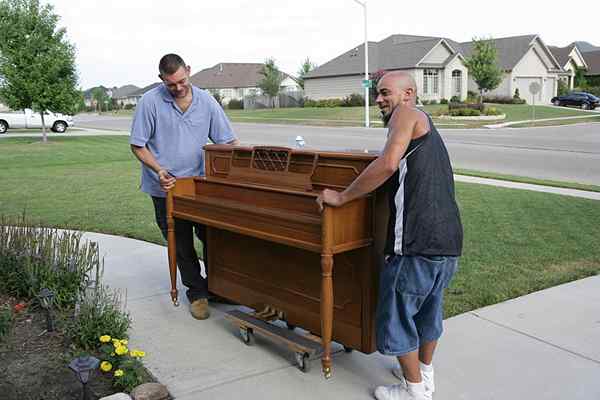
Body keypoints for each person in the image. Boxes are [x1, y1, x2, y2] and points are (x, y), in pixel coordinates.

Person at [316, 71, 462, 400]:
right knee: (428, 312)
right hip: (448, 241)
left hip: (416, 241)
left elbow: (387, 164)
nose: (379, 99)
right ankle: (424, 377)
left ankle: (412, 392)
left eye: (385, 93)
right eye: (377, 94)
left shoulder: (406, 114)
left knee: (397, 317)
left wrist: (340, 197)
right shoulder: (424, 121)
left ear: (408, 94)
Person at [130, 54, 239, 320]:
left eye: (181, 81)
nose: (178, 88)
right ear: (161, 80)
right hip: (165, 188)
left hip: (200, 186)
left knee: (213, 238)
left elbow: (227, 143)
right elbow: (138, 145)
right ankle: (197, 293)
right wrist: (158, 171)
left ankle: (218, 286)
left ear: (188, 71)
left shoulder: (206, 101)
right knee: (180, 243)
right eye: (171, 84)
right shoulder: (150, 102)